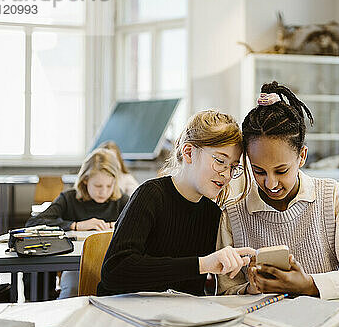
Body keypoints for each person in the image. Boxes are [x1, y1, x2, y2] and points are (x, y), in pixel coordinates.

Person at [218, 82, 339, 300]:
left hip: (326, 324)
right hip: (262, 326)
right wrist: (250, 288)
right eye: (258, 171)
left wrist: (309, 285)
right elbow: (225, 291)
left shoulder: (333, 197)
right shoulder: (233, 213)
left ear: (302, 156)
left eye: (281, 170)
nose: (270, 183)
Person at [98, 110, 255, 296]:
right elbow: (115, 270)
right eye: (220, 161)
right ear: (188, 152)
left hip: (176, 317)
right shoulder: (150, 195)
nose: (226, 174)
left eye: (233, 167)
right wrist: (201, 264)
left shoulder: (212, 214)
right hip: (123, 312)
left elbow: (192, 290)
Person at [25, 148, 130, 299]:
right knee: (71, 293)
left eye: (109, 186)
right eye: (98, 186)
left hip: (112, 266)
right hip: (75, 265)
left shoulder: (121, 201)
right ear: (85, 180)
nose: (104, 192)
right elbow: (34, 222)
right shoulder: (69, 198)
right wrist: (75, 225)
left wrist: (120, 225)